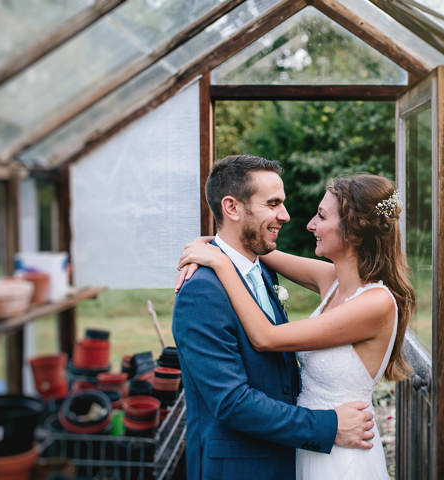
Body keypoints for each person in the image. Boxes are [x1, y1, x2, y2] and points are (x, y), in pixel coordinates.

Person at [177, 171, 415, 479]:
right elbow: (261, 252)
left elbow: (266, 337)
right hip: (308, 445)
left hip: (342, 449)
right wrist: (211, 246)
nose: (309, 224)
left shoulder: (376, 303)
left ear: (354, 232)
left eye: (321, 216)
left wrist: (219, 262)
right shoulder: (332, 280)